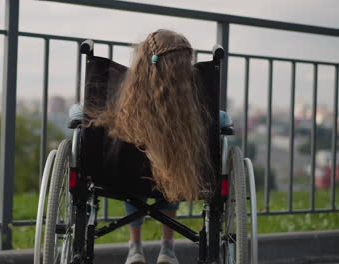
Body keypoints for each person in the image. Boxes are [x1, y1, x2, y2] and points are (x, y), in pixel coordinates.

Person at [70, 29, 232, 264]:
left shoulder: (119, 104)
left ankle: (135, 247)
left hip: (119, 177)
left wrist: (77, 111)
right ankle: (168, 248)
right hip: (176, 175)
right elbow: (224, 122)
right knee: (176, 159)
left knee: (127, 164)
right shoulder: (199, 110)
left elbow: (77, 115)